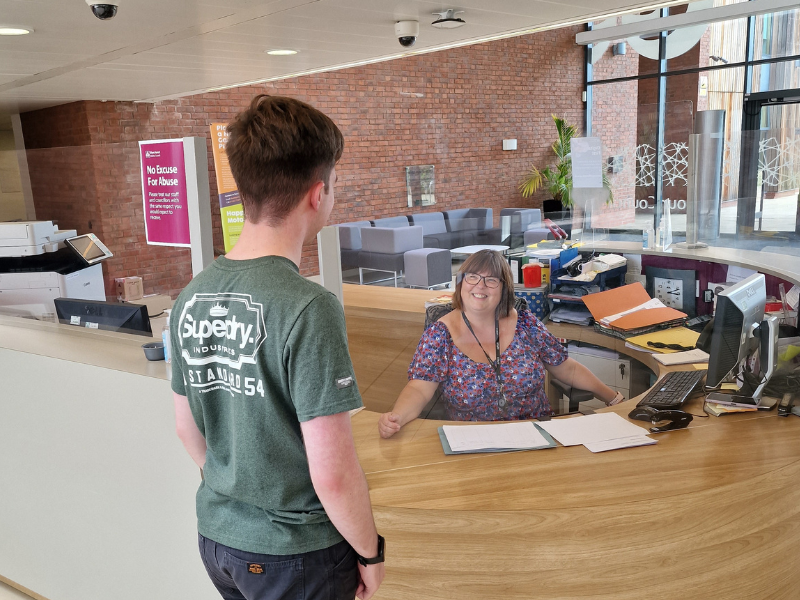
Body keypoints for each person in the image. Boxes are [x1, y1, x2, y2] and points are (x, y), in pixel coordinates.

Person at [171, 95, 385, 600]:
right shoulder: (308, 306)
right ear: (318, 194)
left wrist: (241, 496)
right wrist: (370, 552)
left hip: (219, 539)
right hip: (296, 555)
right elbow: (332, 472)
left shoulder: (191, 295)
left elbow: (187, 429)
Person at [378, 250, 623, 438]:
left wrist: (613, 399)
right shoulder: (439, 335)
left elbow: (566, 367)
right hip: (472, 443)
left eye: (491, 280)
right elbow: (419, 389)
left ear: (504, 289)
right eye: (472, 277)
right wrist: (396, 418)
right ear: (461, 283)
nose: (480, 286)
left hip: (535, 436)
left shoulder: (525, 323)